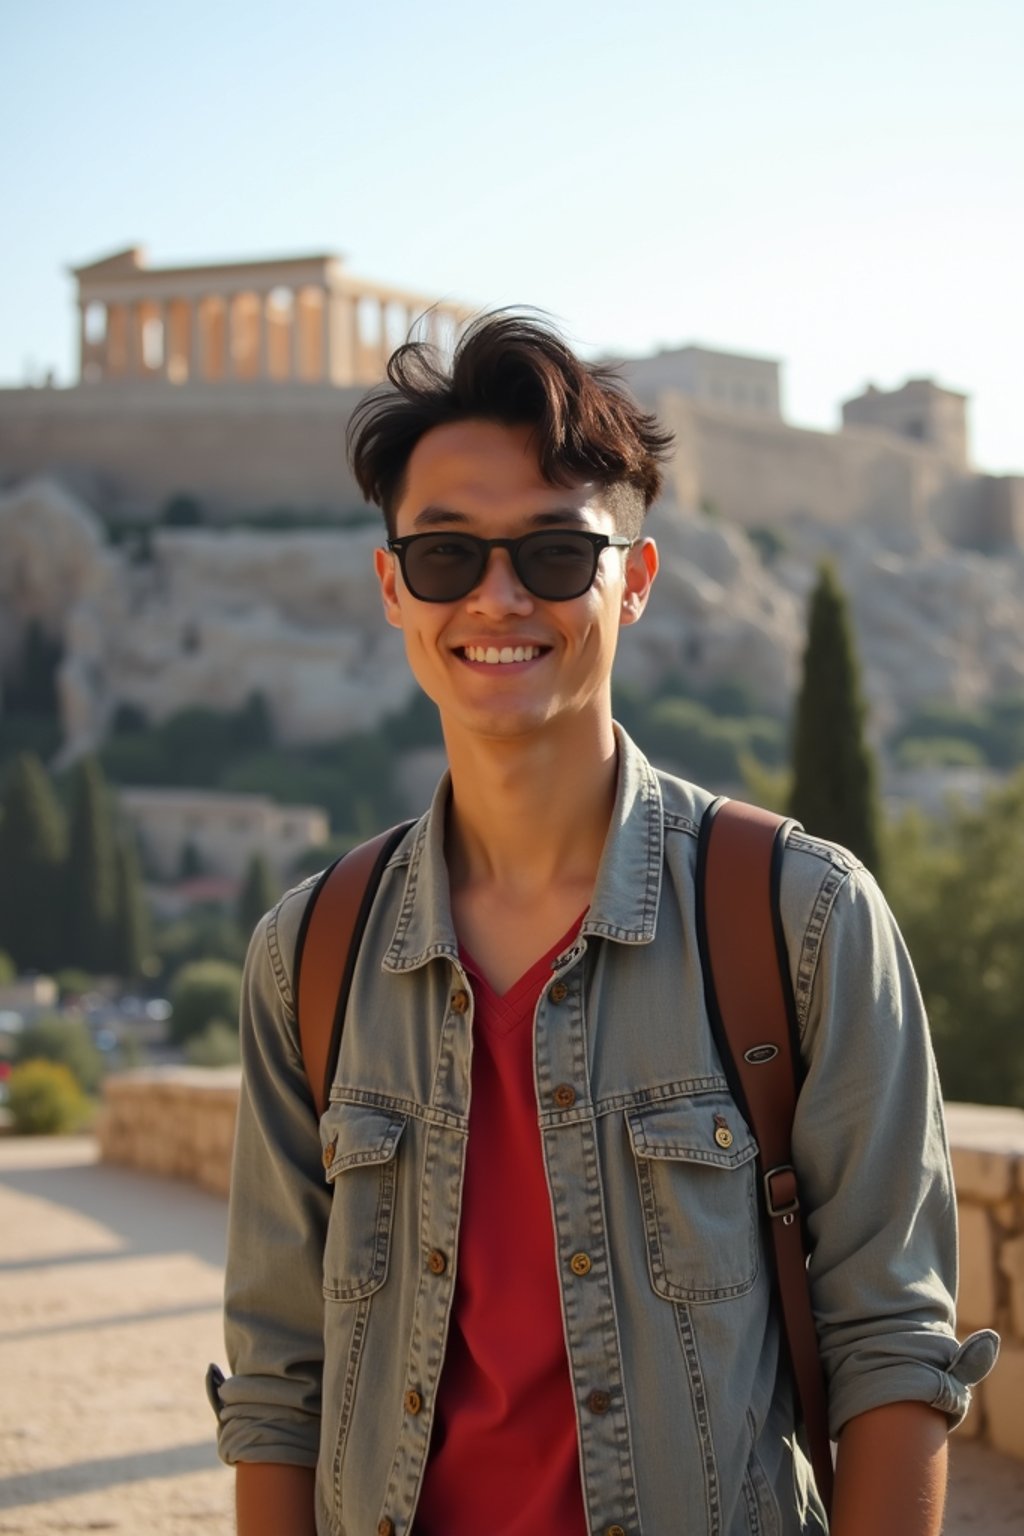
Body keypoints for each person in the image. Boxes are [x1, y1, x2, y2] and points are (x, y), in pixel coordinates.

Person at [208, 313, 997, 1536]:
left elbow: (893, 1345)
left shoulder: (802, 918)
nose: (498, 597)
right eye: (446, 558)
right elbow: (277, 1378)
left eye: (556, 556)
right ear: (390, 589)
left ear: (632, 580)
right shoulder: (308, 958)